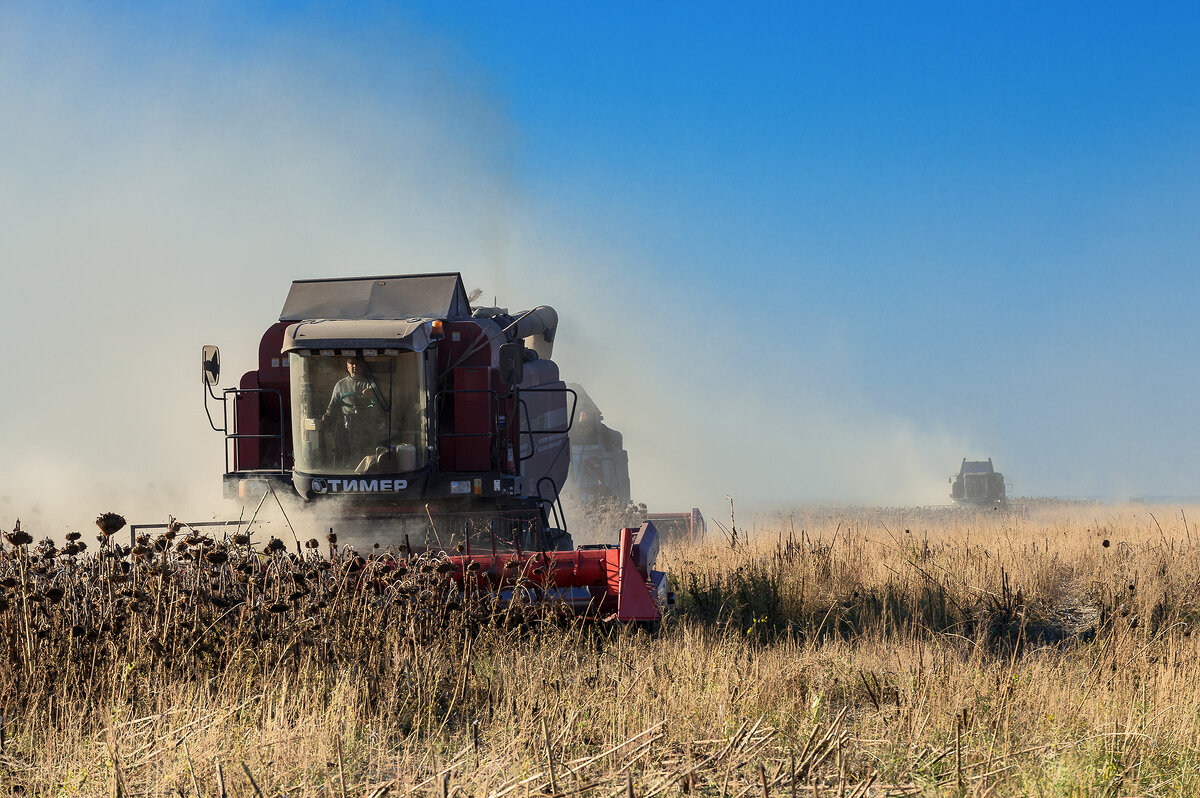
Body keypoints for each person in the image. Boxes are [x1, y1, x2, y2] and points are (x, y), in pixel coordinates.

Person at [322, 358, 385, 464]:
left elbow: (377, 391)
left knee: (368, 451)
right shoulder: (340, 385)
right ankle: (343, 467)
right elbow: (332, 405)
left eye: (358, 364)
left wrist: (371, 392)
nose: (355, 366)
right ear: (347, 367)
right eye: (352, 364)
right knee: (343, 447)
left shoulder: (370, 382)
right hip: (347, 425)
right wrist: (327, 416)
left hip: (367, 425)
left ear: (363, 366)